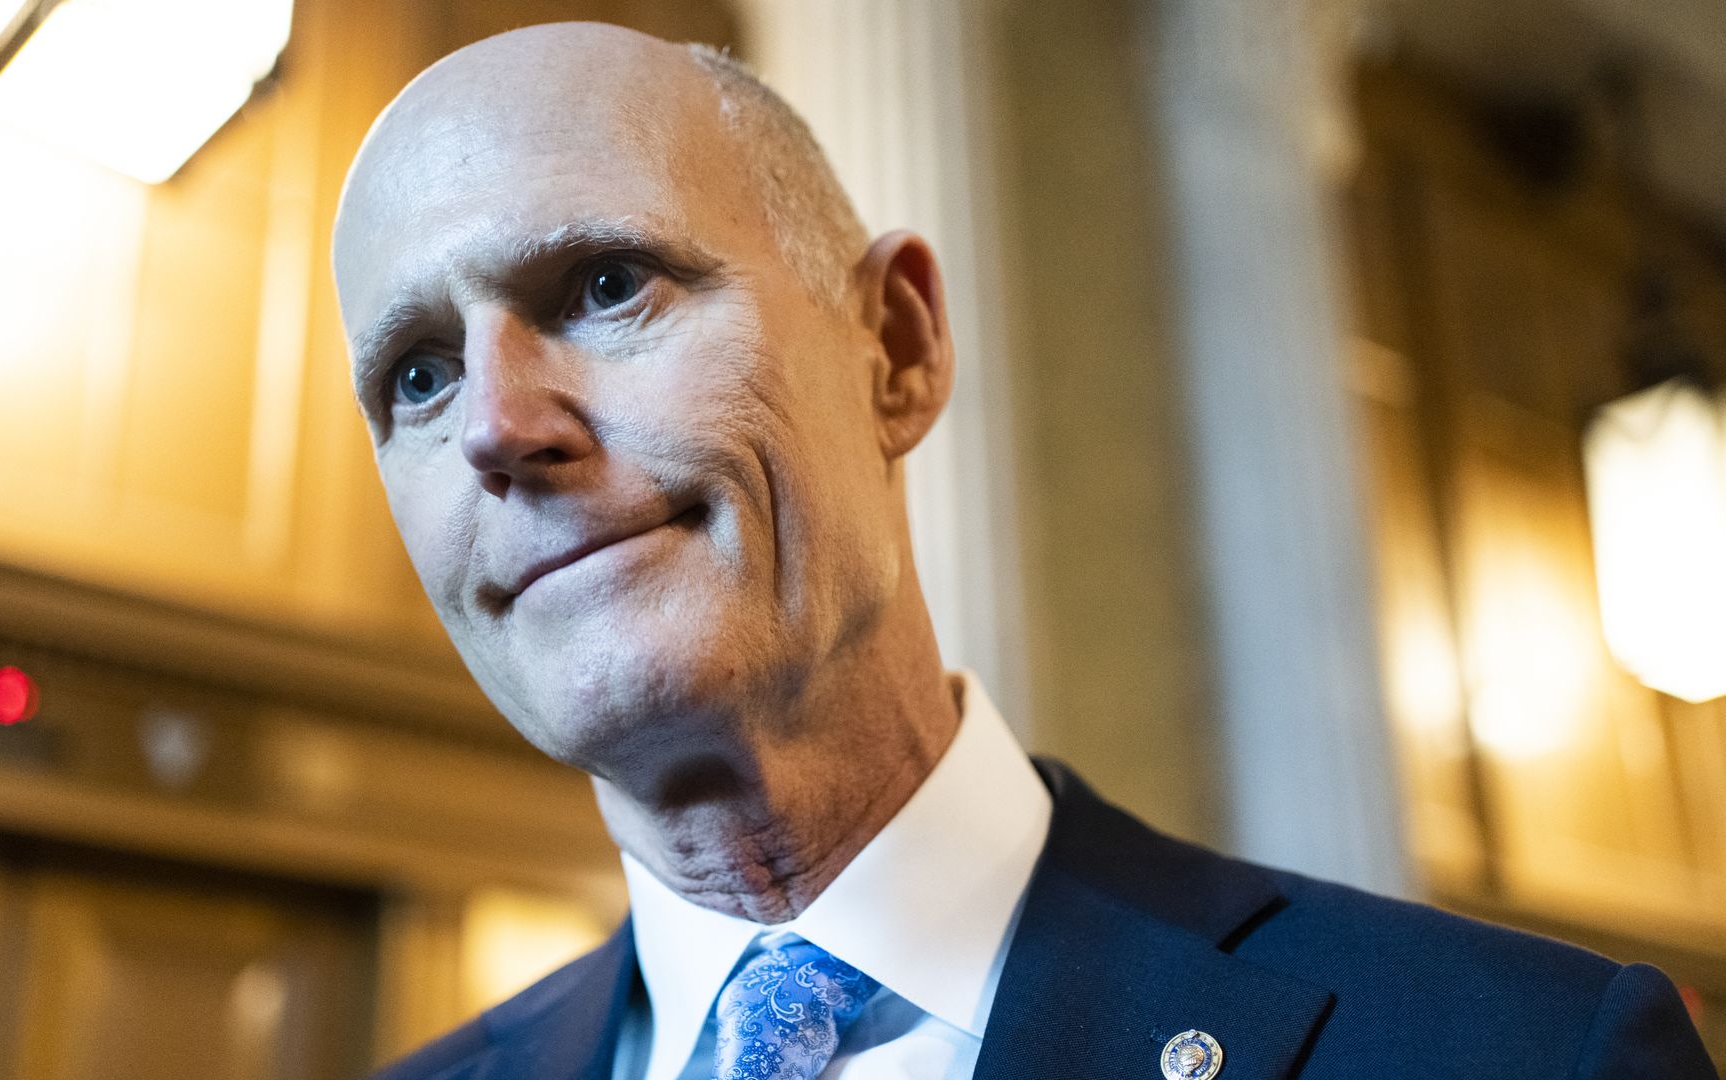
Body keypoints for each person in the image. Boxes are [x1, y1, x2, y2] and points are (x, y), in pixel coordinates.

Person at [329, 21, 1715, 1080]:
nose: (496, 427)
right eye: (419, 376)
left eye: (606, 284)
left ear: (895, 348)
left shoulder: (1523, 1052)